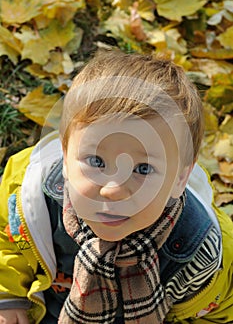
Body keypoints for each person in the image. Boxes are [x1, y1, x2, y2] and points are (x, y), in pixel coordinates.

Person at [0, 49, 233, 324]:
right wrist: (8, 296)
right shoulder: (31, 197)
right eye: (96, 161)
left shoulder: (202, 250)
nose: (112, 189)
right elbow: (6, 240)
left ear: (180, 179)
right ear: (65, 156)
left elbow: (219, 311)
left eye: (143, 169)